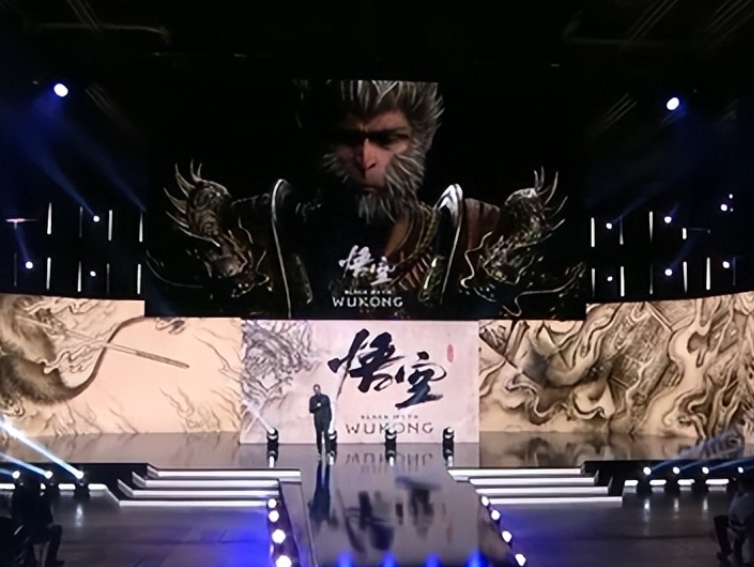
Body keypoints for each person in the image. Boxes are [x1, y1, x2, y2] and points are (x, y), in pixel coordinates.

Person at [153, 80, 583, 319]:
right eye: (347, 140)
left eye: (386, 139)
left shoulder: (480, 233)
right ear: (318, 143)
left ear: (422, 141)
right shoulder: (251, 231)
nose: (365, 159)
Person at [10, 475, 63, 567]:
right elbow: (48, 519)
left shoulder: (17, 497)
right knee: (57, 530)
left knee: (26, 532)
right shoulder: (41, 500)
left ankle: (30, 559)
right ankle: (50, 560)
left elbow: (13, 513)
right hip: (38, 532)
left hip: (20, 532)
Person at [715, 477, 754, 565]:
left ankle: (734, 555)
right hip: (736, 521)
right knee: (719, 521)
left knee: (738, 543)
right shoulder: (741, 495)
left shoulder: (749, 498)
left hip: (742, 525)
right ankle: (727, 550)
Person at [309, 384, 332, 455]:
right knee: (318, 435)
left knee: (326, 434)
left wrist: (330, 418)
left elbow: (329, 408)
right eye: (315, 390)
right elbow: (311, 410)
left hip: (325, 419)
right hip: (318, 420)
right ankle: (319, 450)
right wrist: (316, 406)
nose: (317, 391)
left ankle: (328, 450)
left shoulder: (325, 398)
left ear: (320, 389)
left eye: (318, 389)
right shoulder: (312, 399)